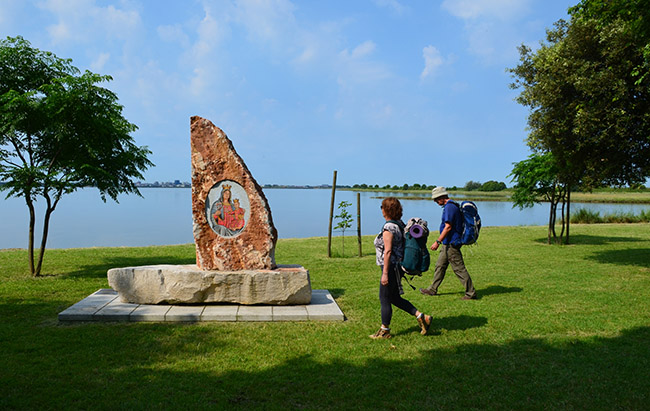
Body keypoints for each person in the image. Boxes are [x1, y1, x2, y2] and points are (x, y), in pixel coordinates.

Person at [371, 197, 432, 339]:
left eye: (382, 206)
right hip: (397, 267)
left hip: (390, 267)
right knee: (394, 297)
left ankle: (384, 331)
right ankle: (422, 317)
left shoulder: (388, 227)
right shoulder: (399, 224)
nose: (381, 209)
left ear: (386, 210)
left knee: (384, 298)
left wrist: (385, 273)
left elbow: (388, 251)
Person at [420, 186, 477, 300]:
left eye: (436, 199)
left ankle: (471, 293)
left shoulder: (450, 207)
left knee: (459, 269)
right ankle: (432, 289)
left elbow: (448, 227)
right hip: (447, 243)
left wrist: (437, 241)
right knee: (440, 266)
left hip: (452, 244)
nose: (436, 202)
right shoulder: (451, 205)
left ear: (442, 197)